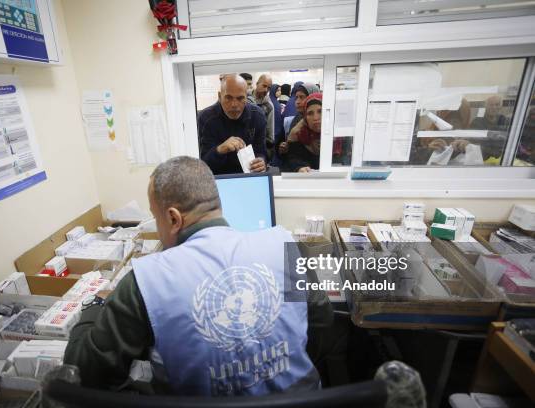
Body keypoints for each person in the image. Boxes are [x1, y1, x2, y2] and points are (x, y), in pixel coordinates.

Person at [64, 156, 335, 395]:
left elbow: (84, 373)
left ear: (173, 218)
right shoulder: (285, 246)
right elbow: (321, 320)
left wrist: (94, 308)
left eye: (155, 218)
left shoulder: (144, 282)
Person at [198, 74, 267, 174]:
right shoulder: (206, 118)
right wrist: (220, 150)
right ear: (219, 96)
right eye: (228, 98)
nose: (234, 105)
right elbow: (203, 164)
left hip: (249, 177)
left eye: (240, 98)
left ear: (247, 97)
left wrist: (261, 161)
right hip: (218, 178)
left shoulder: (257, 116)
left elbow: (261, 151)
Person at [278, 83, 320, 167]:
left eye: (302, 97)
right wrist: (285, 148)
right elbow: (292, 154)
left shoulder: (324, 122)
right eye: (296, 97)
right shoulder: (296, 120)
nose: (297, 102)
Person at [285, 93, 323, 172]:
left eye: (320, 111)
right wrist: (299, 167)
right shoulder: (298, 134)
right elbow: (294, 158)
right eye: (310, 113)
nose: (315, 118)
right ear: (305, 117)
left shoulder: (338, 135)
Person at [248, 74, 275, 161]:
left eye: (269, 88)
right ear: (257, 83)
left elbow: (270, 134)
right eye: (264, 86)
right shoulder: (244, 99)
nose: (266, 90)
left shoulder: (269, 106)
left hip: (259, 148)